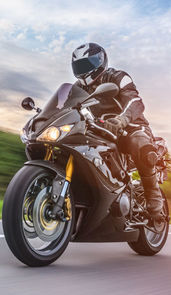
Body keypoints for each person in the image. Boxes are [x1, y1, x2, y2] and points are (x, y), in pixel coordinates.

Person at [71, 42, 165, 227]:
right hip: (100, 128)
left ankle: (154, 199)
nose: (84, 70)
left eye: (87, 65)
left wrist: (122, 120)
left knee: (141, 145)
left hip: (131, 126)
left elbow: (136, 101)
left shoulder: (118, 76)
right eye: (79, 66)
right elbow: (68, 106)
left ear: (100, 61)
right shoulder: (78, 87)